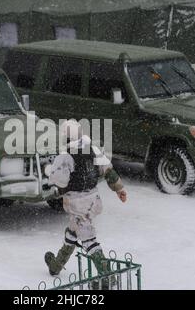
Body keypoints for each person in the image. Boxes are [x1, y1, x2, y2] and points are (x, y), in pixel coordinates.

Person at [44, 120, 127, 285]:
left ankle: (108, 276)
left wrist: (49, 171)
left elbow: (60, 180)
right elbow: (108, 171)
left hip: (77, 203)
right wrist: (119, 189)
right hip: (93, 200)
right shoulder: (93, 150)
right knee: (73, 231)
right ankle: (56, 266)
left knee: (88, 239)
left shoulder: (65, 156)